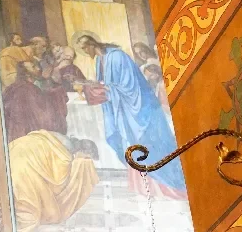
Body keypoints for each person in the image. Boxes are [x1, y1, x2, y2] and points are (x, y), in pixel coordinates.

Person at [71, 31, 185, 196]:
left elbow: (130, 87)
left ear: (91, 44)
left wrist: (106, 89)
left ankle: (164, 185)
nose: (84, 52)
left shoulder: (117, 56)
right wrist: (92, 84)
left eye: (84, 48)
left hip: (139, 109)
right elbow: (107, 83)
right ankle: (144, 185)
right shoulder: (99, 61)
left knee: (147, 143)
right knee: (128, 143)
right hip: (124, 111)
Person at [7, 131, 99, 232]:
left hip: (12, 150)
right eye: (87, 156)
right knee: (32, 218)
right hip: (23, 166)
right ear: (83, 151)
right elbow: (58, 181)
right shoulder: (66, 155)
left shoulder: (61, 137)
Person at [2, 61, 70, 141]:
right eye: (33, 67)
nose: (38, 68)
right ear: (26, 74)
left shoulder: (17, 87)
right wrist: (57, 92)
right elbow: (45, 118)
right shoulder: (28, 89)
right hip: (30, 139)